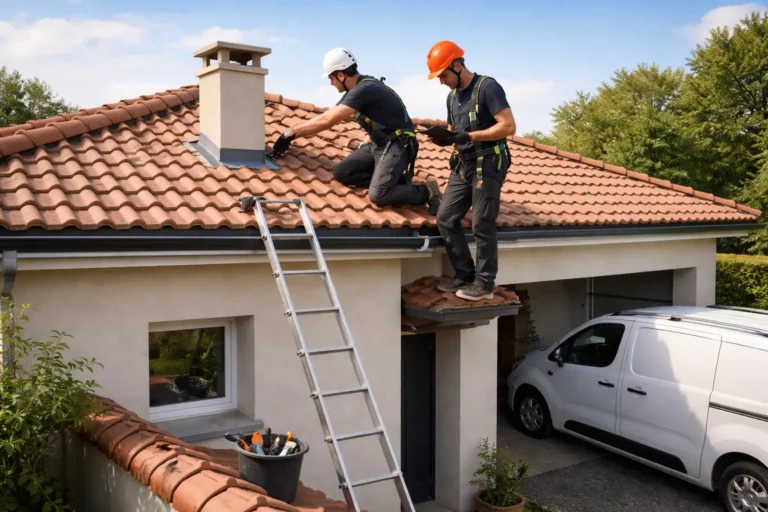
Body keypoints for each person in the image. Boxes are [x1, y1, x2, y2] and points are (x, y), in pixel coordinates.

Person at [271, 48, 442, 214]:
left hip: (398, 145)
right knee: (342, 172)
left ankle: (427, 191)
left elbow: (327, 120)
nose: (331, 83)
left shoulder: (364, 89)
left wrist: (291, 132)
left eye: (331, 78)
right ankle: (396, 181)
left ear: (340, 75)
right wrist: (365, 143)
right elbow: (338, 114)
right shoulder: (356, 90)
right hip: (378, 144)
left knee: (379, 194)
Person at [425, 40, 516, 301]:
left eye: (443, 75)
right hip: (463, 164)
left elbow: (508, 126)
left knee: (482, 223)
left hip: (488, 163)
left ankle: (484, 284)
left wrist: (472, 136)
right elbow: (456, 131)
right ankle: (464, 274)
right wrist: (446, 138)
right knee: (445, 217)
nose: (442, 81)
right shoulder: (452, 97)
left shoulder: (487, 87)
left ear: (457, 66)